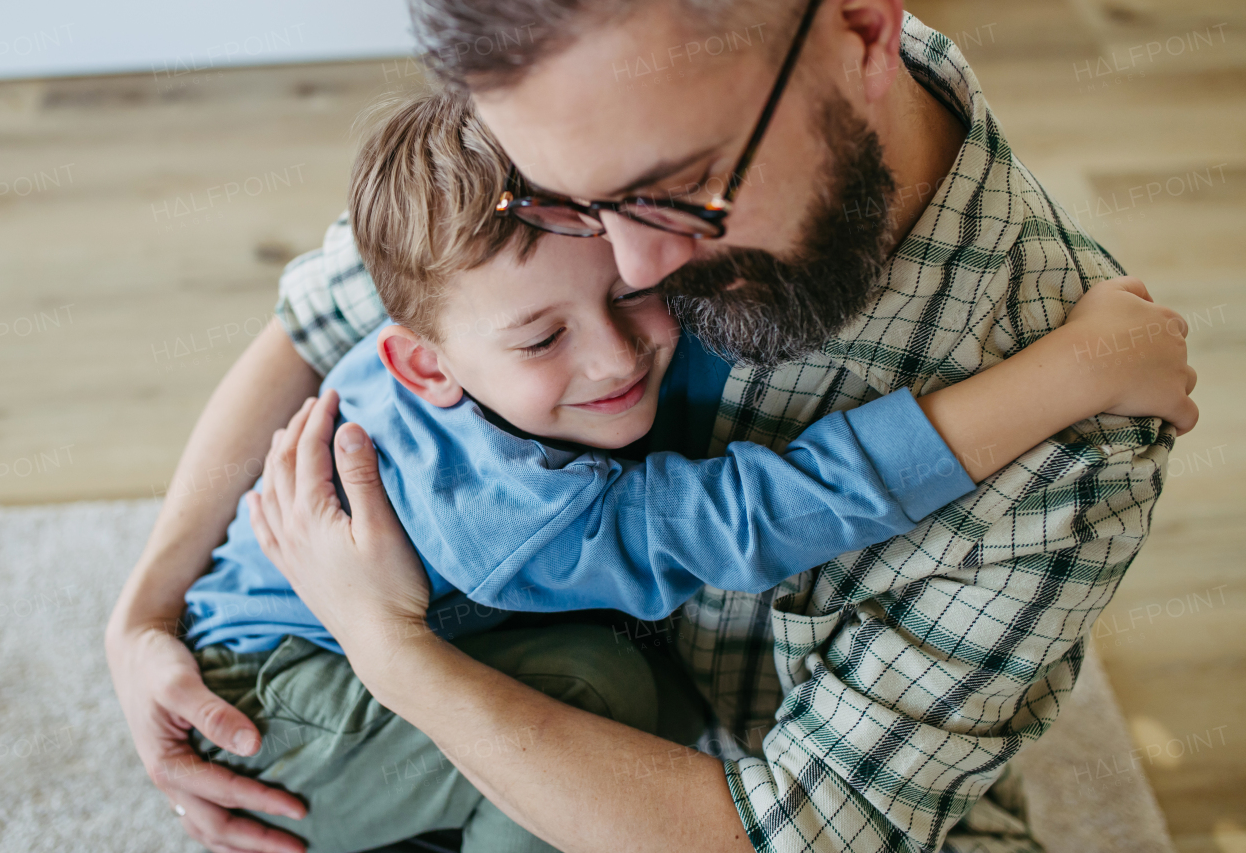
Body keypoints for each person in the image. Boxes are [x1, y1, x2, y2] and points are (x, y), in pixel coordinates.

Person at [106, 3, 1198, 852]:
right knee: (599, 687)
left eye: (679, 193)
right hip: (312, 671)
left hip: (725, 760)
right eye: (578, 204)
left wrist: (1066, 375)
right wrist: (142, 616)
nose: (633, 284)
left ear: (861, 32)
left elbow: (796, 830)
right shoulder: (573, 129)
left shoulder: (1076, 454)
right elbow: (316, 316)